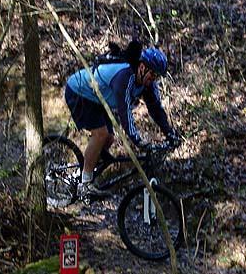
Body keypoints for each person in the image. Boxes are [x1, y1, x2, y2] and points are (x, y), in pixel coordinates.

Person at [65, 44, 179, 197]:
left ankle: (83, 172)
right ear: (142, 67)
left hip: (97, 99)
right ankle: (84, 185)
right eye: (153, 74)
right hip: (79, 91)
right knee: (101, 134)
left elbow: (156, 110)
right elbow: (125, 113)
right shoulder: (124, 78)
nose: (154, 79)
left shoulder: (148, 84)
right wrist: (137, 139)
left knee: (109, 139)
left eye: (156, 76)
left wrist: (170, 133)